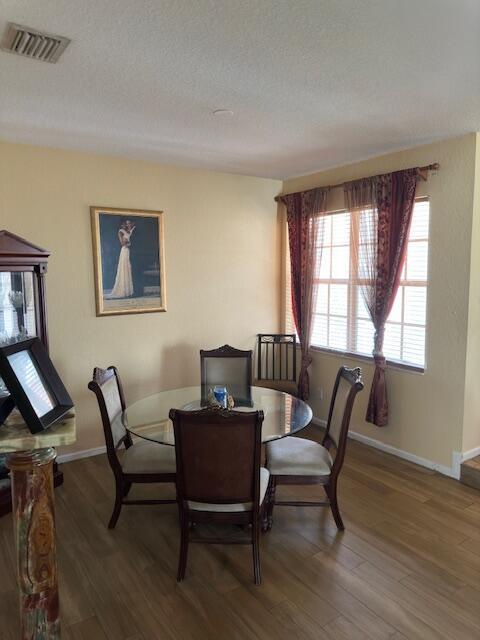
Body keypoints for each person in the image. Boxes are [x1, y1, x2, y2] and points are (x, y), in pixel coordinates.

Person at [106, 220, 135, 299]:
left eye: (126, 224)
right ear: (121, 225)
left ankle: (129, 291)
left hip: (128, 250)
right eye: (124, 224)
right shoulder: (120, 231)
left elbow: (131, 237)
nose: (125, 225)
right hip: (124, 250)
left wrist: (130, 243)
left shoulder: (129, 231)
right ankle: (123, 290)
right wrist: (128, 243)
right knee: (124, 268)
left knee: (128, 268)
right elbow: (122, 243)